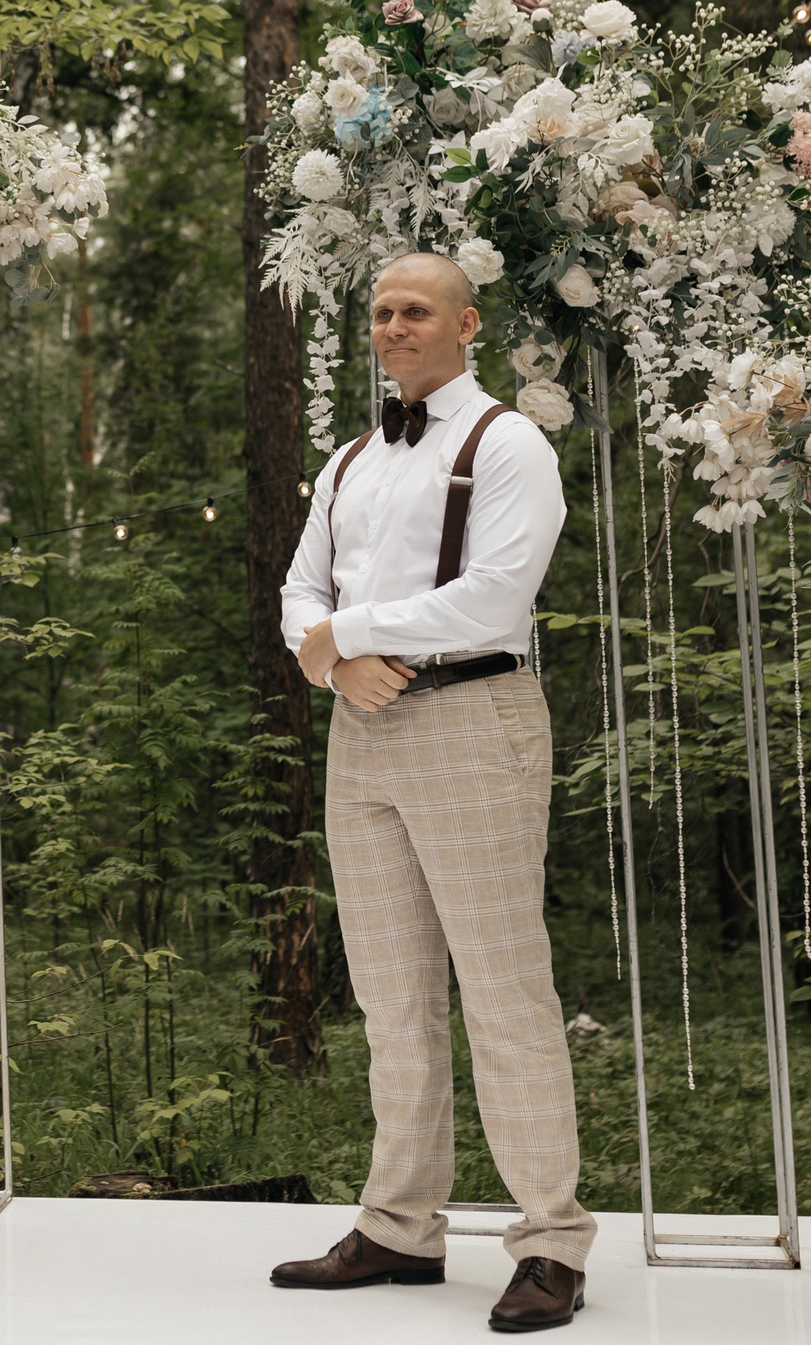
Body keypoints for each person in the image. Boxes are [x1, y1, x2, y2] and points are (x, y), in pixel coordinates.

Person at [270, 250, 593, 1334]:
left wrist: (346, 637)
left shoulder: (510, 445)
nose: (393, 326)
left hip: (472, 719)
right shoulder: (351, 455)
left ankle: (550, 1241)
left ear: (467, 324)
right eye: (379, 312)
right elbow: (299, 589)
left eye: (415, 310)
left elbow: (494, 596)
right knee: (392, 998)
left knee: (504, 990)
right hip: (360, 733)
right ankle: (400, 1227)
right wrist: (326, 663)